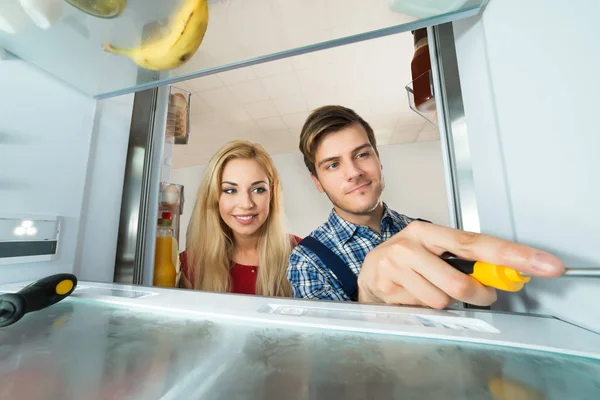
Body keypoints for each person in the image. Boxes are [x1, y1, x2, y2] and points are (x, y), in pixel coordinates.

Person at [287, 105, 565, 308]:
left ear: (378, 158)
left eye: (361, 154)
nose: (353, 172)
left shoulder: (424, 231)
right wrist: (370, 300)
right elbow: (332, 364)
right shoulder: (306, 260)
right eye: (333, 165)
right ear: (317, 181)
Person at [180, 140, 301, 296]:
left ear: (271, 193)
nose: (246, 204)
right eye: (230, 190)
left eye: (258, 189)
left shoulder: (302, 254)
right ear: (214, 197)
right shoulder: (191, 263)